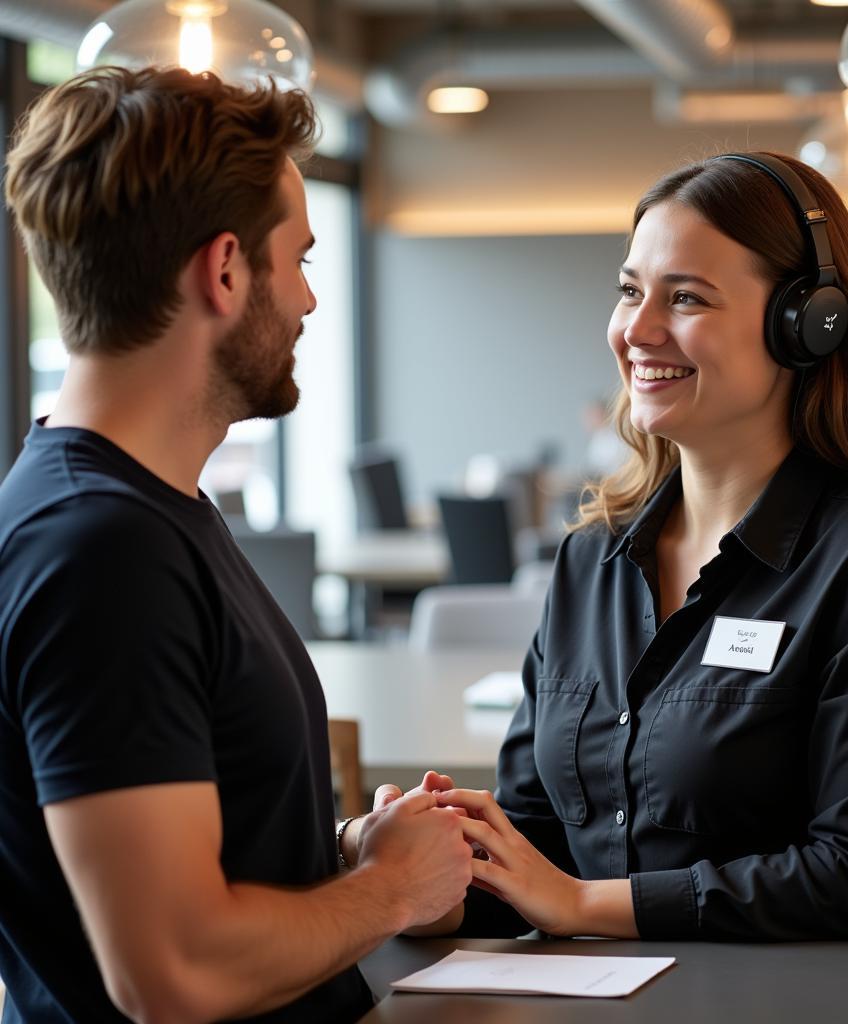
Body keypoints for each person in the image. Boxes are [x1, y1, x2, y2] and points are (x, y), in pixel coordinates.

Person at [406, 151, 848, 941]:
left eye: (685, 297)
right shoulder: (594, 559)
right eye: (629, 291)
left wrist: (588, 906)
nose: (636, 330)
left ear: (808, 326)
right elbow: (536, 848)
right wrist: (429, 876)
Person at [0, 66, 472, 1023]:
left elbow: (187, 857)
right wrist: (392, 893)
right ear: (223, 271)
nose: (306, 301)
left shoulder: (143, 512)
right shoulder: (100, 550)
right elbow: (172, 969)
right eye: (296, 259)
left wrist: (347, 851)